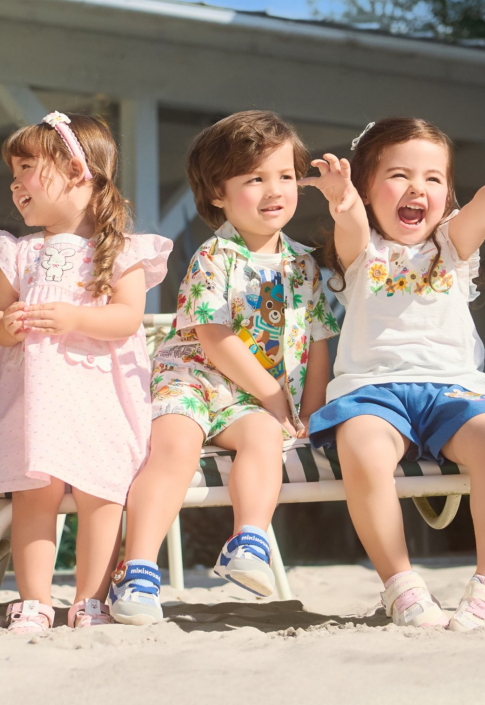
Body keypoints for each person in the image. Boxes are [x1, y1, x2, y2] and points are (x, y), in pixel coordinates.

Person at [303, 117, 485, 632]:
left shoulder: (450, 247)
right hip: (374, 393)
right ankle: (401, 585)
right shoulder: (362, 252)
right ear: (368, 190)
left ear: (447, 194)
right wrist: (342, 202)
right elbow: (350, 226)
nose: (417, 188)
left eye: (433, 179)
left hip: (452, 391)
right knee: (362, 448)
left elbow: (479, 215)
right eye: (399, 176)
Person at [108, 110, 338, 625]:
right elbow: (213, 337)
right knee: (176, 448)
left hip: (249, 400)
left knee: (263, 438)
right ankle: (140, 568)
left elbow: (319, 341)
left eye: (284, 176)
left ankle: (248, 539)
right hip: (194, 377)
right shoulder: (216, 256)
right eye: (254, 178)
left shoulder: (305, 264)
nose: (273, 190)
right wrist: (274, 393)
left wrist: (310, 412)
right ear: (218, 193)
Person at [0, 111, 171, 633]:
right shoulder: (21, 252)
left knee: (103, 493)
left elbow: (125, 319)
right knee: (36, 492)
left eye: (27, 168)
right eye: (13, 174)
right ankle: (34, 599)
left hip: (98, 392)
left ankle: (90, 600)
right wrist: (9, 323)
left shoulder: (121, 249)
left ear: (78, 171)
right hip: (34, 395)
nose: (15, 184)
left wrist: (75, 317)